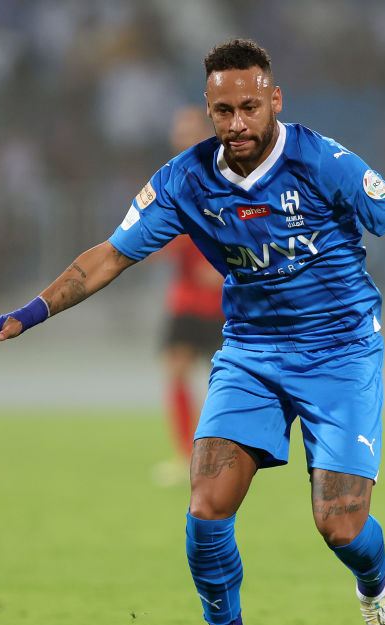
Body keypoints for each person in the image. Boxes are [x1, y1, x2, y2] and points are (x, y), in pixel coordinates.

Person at [0, 39, 385, 625]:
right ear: (208, 109)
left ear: (274, 101)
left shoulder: (324, 163)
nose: (237, 123)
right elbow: (109, 256)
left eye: (250, 107)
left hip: (340, 354)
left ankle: (377, 597)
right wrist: (21, 316)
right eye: (223, 110)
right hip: (252, 353)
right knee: (206, 508)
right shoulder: (185, 180)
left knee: (340, 525)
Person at [155, 105, 226, 482]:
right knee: (177, 369)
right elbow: (158, 239)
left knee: (229, 380)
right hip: (186, 300)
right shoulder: (169, 182)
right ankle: (187, 457)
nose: (182, 137)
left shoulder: (228, 175)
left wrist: (224, 265)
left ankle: (227, 455)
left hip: (225, 299)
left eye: (189, 130)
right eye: (178, 130)